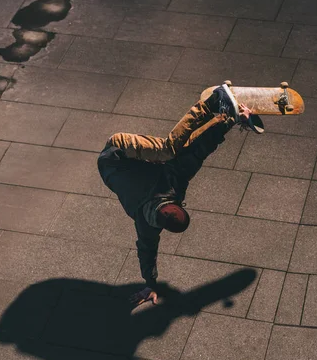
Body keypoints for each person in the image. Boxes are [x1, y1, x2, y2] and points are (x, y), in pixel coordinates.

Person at [97, 82, 264, 307]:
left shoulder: (168, 190)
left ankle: (214, 100)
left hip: (114, 154)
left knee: (169, 151)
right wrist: (150, 284)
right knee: (180, 154)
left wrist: (229, 120)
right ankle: (225, 113)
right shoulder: (150, 219)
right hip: (126, 167)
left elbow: (200, 150)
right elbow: (198, 150)